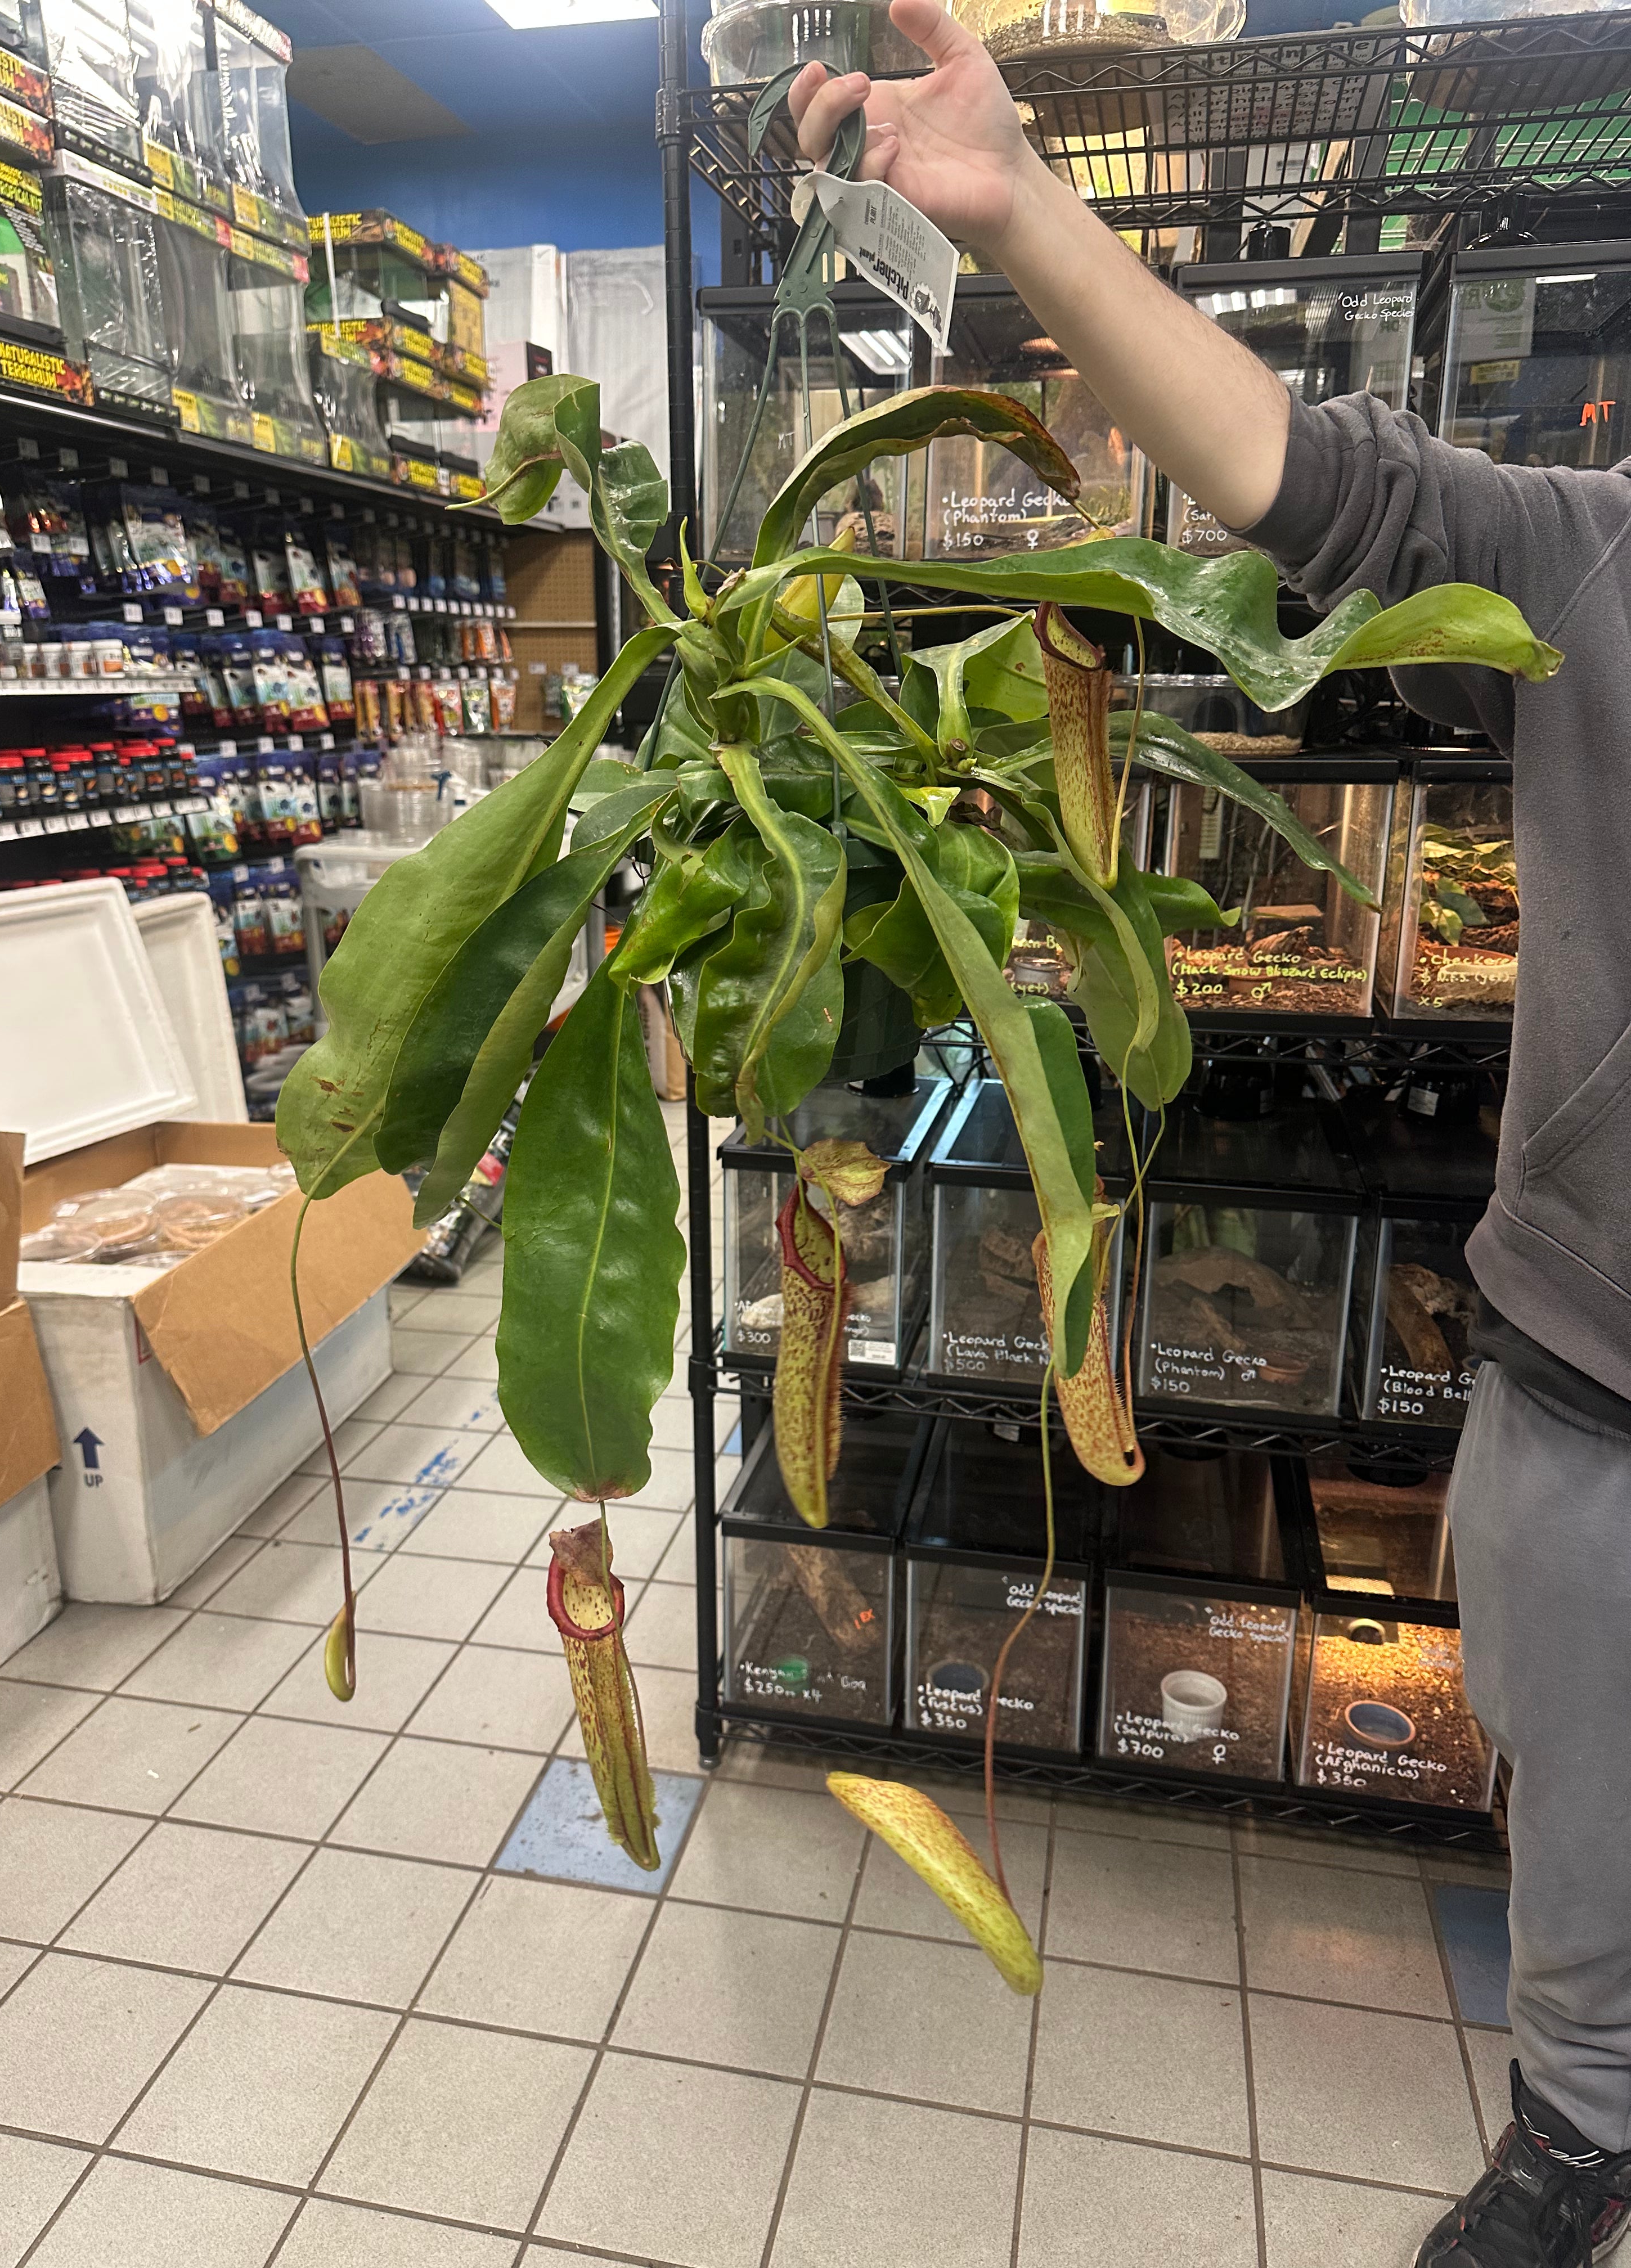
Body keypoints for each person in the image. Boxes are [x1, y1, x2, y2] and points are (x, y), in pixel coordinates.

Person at [790, 13, 1631, 2266]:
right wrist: (1023, 210)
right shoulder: (1601, 570)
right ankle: (1577, 2136)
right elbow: (1324, 492)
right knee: (1586, 1810)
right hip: (1594, 1373)